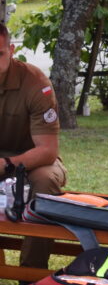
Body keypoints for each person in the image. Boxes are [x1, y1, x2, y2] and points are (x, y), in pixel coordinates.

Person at [0, 23, 68, 268]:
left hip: (33, 161)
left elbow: (48, 151)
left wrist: (6, 164)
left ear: (12, 49)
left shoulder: (35, 82)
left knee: (46, 180)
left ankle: (30, 273)